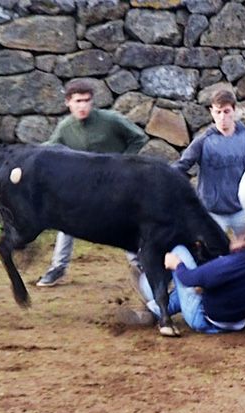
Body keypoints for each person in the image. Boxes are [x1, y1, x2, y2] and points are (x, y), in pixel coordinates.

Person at [36, 79, 148, 287]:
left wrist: (123, 163)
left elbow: (139, 137)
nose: (83, 106)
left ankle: (141, 266)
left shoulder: (111, 119)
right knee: (66, 221)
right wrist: (25, 155)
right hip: (83, 187)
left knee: (125, 223)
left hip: (115, 185)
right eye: (78, 101)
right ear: (68, 102)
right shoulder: (65, 128)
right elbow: (50, 149)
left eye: (87, 100)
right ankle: (58, 268)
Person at [120, 224, 245, 334]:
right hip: (238, 321)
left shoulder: (227, 265)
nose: (232, 241)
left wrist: (176, 264)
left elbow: (188, 279)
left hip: (203, 319)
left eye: (236, 238)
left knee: (179, 251)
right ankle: (153, 311)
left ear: (244, 243)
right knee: (195, 291)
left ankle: (149, 291)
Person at [172, 90, 245, 235]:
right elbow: (181, 166)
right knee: (211, 248)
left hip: (243, 209)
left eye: (226, 111)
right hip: (212, 211)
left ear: (234, 110)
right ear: (211, 112)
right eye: (218, 112)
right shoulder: (203, 141)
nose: (222, 117)